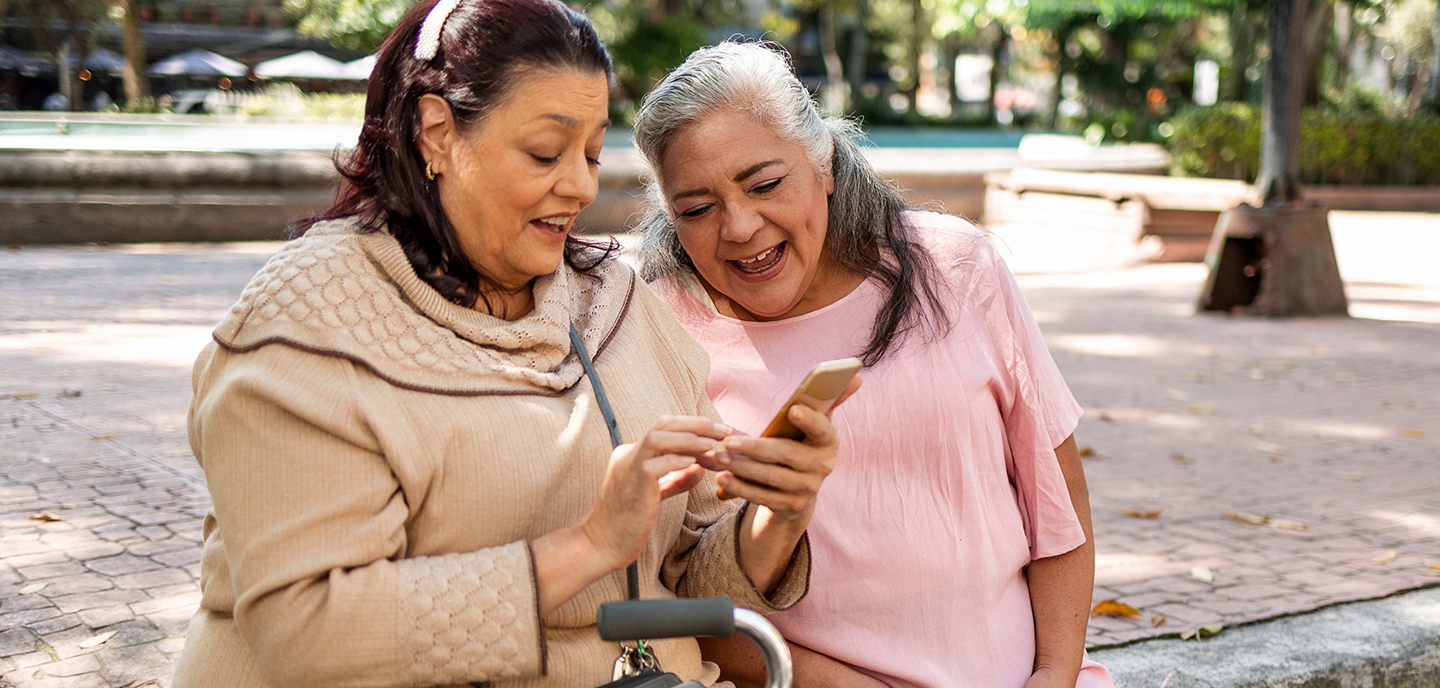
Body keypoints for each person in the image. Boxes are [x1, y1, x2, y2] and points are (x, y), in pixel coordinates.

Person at [172, 6, 842, 687]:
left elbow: (692, 570)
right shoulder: (307, 326)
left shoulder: (614, 299)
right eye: (547, 153)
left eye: (590, 153)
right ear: (437, 133)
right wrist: (584, 547)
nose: (581, 186)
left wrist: (774, 516)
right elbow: (310, 631)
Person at [634, 42, 1114, 688]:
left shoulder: (954, 265)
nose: (741, 226)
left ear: (824, 162)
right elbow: (671, 597)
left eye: (765, 184)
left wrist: (1055, 673)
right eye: (697, 209)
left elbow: (1055, 498)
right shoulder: (661, 328)